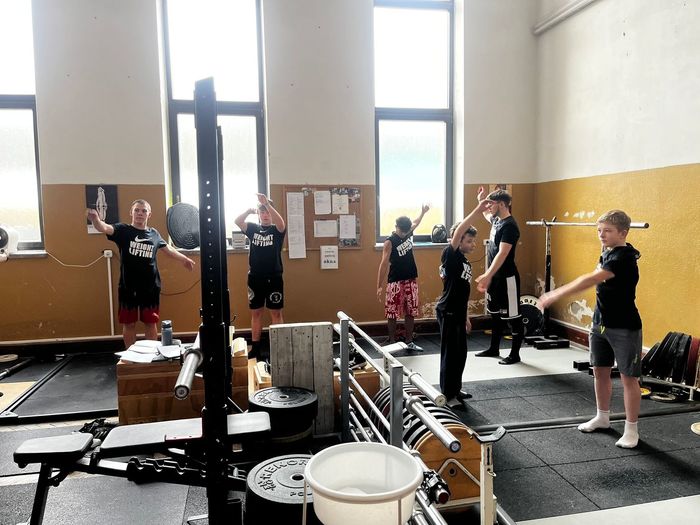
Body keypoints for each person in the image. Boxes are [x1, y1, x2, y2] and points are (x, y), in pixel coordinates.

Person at [538, 210, 642, 448]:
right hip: (600, 323)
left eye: (607, 231)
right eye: (599, 230)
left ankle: (631, 429)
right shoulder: (608, 252)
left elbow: (590, 280)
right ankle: (602, 417)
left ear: (623, 233)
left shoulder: (623, 257)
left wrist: (555, 294)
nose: (601, 235)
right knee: (599, 371)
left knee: (628, 378)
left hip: (624, 326)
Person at [87, 199, 195, 349]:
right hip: (128, 286)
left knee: (150, 322)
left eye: (144, 211)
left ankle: (150, 355)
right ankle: (130, 356)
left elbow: (168, 249)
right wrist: (95, 220)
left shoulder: (154, 234)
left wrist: (184, 259)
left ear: (149, 215)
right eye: (137, 210)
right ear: (131, 213)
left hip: (150, 287)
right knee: (129, 323)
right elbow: (104, 228)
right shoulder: (123, 230)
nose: (140, 213)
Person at [436, 199, 493, 407]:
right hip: (448, 311)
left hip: (458, 312)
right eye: (469, 241)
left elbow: (463, 292)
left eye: (473, 241)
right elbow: (460, 230)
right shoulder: (450, 255)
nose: (473, 244)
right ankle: (448, 395)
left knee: (460, 353)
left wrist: (466, 316)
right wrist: (477, 209)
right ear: (458, 240)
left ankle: (456, 388)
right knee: (450, 354)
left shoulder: (464, 261)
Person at [474, 187, 524, 364]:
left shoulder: (510, 226)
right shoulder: (496, 220)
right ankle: (494, 348)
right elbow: (486, 214)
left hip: (507, 278)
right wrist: (480, 200)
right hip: (495, 278)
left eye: (491, 204)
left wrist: (487, 274)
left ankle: (515, 354)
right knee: (495, 314)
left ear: (501, 204)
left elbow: (502, 253)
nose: (489, 207)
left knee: (513, 317)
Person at [234, 193, 286, 361]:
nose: (265, 215)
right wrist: (249, 211)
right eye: (262, 212)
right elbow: (237, 221)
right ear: (258, 214)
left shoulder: (276, 230)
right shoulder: (252, 229)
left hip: (274, 278)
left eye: (268, 212)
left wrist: (267, 204)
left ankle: (278, 348)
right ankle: (255, 349)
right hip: (255, 278)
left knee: (275, 313)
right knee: (256, 313)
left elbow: (281, 223)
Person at [376, 205, 429, 350]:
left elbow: (416, 222)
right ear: (396, 227)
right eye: (402, 231)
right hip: (395, 281)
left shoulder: (407, 232)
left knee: (411, 311)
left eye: (406, 231)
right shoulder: (389, 242)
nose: (404, 234)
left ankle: (409, 341)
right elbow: (383, 264)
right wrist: (379, 285)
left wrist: (422, 212)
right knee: (392, 312)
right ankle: (392, 341)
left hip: (411, 279)